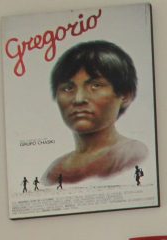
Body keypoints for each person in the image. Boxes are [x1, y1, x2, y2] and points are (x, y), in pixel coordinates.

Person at [43, 39, 149, 185]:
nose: (79, 99)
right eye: (68, 88)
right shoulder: (55, 170)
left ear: (125, 95)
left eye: (96, 85)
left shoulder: (132, 155)